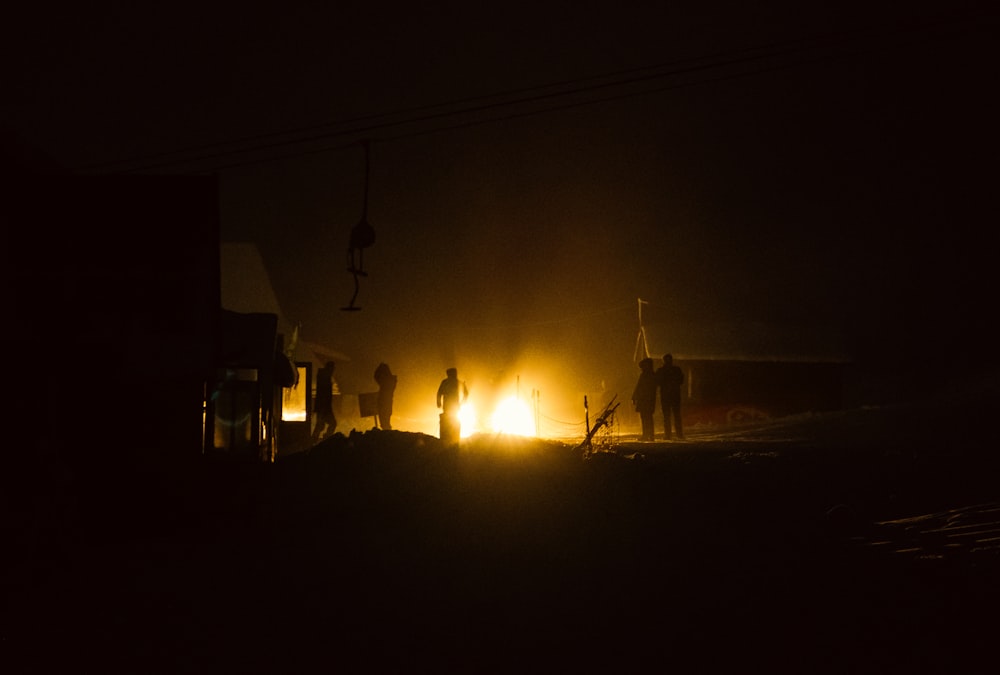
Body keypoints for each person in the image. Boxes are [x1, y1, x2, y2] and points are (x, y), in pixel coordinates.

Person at [436, 367, 468, 445]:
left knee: (449, 422)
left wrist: (439, 402)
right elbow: (466, 393)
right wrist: (462, 402)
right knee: (453, 422)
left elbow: (439, 393)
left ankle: (447, 439)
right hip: (454, 407)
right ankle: (454, 439)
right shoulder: (458, 382)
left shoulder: (445, 382)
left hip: (449, 406)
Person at [657, 353, 684, 440]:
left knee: (667, 416)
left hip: (666, 396)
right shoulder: (676, 370)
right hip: (674, 395)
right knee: (675, 415)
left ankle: (669, 435)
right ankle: (678, 434)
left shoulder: (661, 370)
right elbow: (681, 380)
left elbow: (657, 382)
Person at [631, 357, 658, 442]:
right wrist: (635, 396)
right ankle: (648, 435)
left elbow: (639, 387)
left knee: (647, 417)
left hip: (646, 399)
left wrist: (635, 396)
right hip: (646, 399)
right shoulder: (649, 375)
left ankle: (648, 435)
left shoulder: (648, 375)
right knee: (646, 417)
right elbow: (639, 387)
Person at [312, 360, 337, 443]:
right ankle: (324, 440)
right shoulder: (325, 378)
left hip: (322, 407)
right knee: (330, 424)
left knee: (320, 426)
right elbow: (324, 395)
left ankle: (313, 442)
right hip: (324, 408)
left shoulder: (323, 377)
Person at [373, 362, 397, 430]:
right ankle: (387, 434)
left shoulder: (387, 381)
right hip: (387, 403)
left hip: (384, 403)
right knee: (385, 422)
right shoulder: (391, 380)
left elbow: (375, 376)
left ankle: (387, 434)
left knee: (384, 422)